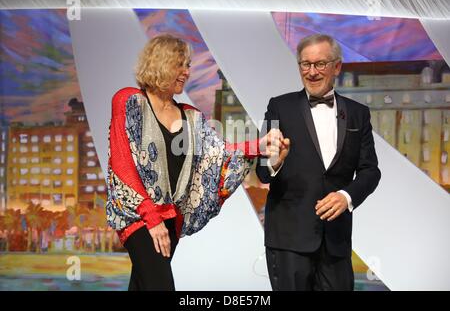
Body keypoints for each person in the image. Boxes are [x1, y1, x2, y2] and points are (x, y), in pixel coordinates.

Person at [106, 34, 288, 291]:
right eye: (181, 64)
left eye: (188, 66)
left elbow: (220, 154)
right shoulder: (129, 101)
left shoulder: (191, 117)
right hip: (137, 216)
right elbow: (123, 163)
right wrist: (152, 218)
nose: (186, 72)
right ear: (161, 63)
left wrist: (260, 145)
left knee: (142, 285)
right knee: (160, 285)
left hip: (172, 219)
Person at [256, 34, 381, 291]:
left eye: (320, 64)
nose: (311, 72)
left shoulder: (358, 113)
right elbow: (261, 171)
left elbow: (370, 171)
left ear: (337, 67)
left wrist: (346, 196)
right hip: (289, 241)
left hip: (336, 241)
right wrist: (274, 163)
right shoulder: (279, 107)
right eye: (305, 64)